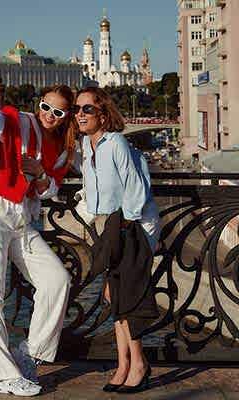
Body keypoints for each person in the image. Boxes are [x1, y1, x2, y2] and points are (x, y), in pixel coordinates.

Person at [0, 85, 76, 397]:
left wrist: (39, 172)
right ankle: (3, 374)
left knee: (56, 281)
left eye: (57, 112)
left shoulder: (62, 148)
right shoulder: (23, 121)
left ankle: (29, 354)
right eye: (45, 107)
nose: (49, 115)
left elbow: (50, 189)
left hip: (21, 218)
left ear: (66, 116)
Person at [73, 87, 161, 394]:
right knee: (114, 296)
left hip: (130, 225)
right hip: (108, 226)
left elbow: (135, 188)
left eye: (87, 109)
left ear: (103, 114)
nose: (80, 114)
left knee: (126, 296)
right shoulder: (87, 146)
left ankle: (138, 364)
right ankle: (124, 364)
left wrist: (124, 227)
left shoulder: (116, 142)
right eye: (77, 109)